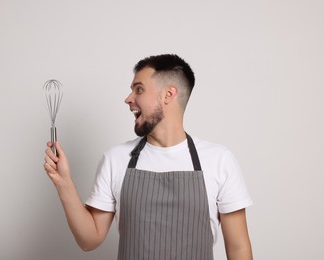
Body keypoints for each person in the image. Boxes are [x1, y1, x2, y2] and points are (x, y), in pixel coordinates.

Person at [44, 54, 253, 260]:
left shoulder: (219, 160)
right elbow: (89, 240)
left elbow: (238, 249)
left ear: (168, 95)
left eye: (139, 89)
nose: (128, 99)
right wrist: (64, 183)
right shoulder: (116, 159)